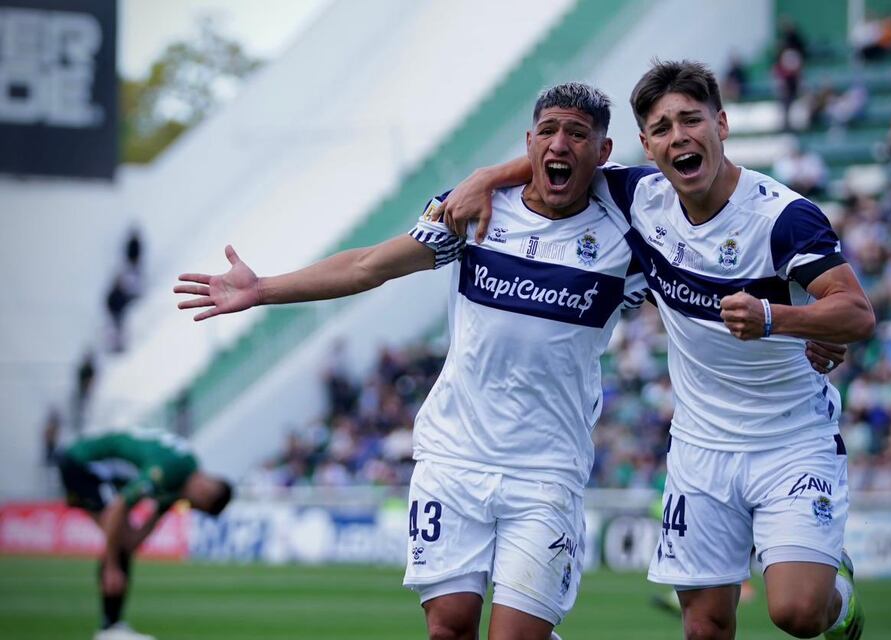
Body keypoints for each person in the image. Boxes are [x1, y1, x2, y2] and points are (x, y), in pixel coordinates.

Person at [175, 83, 650, 640]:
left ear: (603, 150)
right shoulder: (475, 211)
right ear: (528, 141)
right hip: (453, 457)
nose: (560, 145)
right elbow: (368, 266)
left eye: (578, 134)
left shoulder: (629, 232)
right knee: (448, 628)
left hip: (546, 471)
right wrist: (262, 290)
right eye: (548, 132)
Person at [438, 60, 872, 640]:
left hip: (791, 440)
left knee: (796, 614)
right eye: (662, 128)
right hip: (699, 447)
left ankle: (837, 598)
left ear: (722, 124)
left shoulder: (783, 217)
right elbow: (563, 159)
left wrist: (779, 317)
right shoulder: (640, 197)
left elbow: (857, 311)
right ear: (646, 145)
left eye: (691, 120)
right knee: (704, 627)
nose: (678, 136)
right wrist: (484, 178)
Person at [58, 429, 233, 640]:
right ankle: (109, 629)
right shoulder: (172, 470)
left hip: (99, 471)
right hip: (83, 463)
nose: (191, 506)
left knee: (121, 541)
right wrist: (112, 566)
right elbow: (119, 507)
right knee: (117, 538)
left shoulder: (183, 482)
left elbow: (135, 538)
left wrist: (124, 547)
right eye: (197, 506)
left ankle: (112, 626)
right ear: (205, 491)